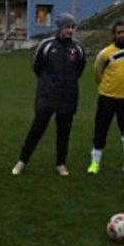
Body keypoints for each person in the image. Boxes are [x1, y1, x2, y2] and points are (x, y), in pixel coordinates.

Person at [11, 13, 86, 177]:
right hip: (47, 96)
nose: (70, 31)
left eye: (72, 27)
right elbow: (36, 66)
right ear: (60, 28)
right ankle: (22, 161)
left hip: (68, 97)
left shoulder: (77, 48)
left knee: (64, 132)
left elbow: (79, 70)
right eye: (67, 27)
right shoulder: (46, 45)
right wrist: (48, 84)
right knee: (37, 129)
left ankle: (61, 164)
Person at [86, 20, 124, 176]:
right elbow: (97, 73)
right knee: (101, 130)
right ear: (113, 35)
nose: (122, 35)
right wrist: (107, 86)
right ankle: (95, 162)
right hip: (107, 98)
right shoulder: (104, 53)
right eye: (119, 32)